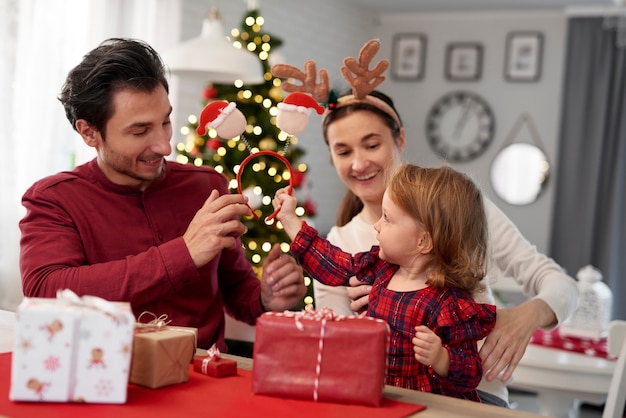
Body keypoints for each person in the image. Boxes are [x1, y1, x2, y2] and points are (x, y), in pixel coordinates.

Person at [18, 38, 307, 351]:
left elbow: (237, 290)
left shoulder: (206, 186)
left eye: (166, 122)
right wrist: (184, 254)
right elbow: (46, 291)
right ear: (89, 132)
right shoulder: (54, 199)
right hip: (106, 374)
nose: (164, 146)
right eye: (140, 131)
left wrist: (266, 297)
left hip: (204, 378)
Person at [313, 89, 579, 406]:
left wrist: (529, 314)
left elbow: (564, 286)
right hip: (387, 396)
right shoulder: (338, 244)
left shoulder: (459, 209)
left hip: (473, 396)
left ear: (399, 140)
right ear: (331, 159)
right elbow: (335, 348)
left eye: (372, 145)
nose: (359, 162)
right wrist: (374, 317)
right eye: (343, 152)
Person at [273, 163, 497, 402]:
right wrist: (288, 219)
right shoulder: (380, 269)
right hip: (380, 396)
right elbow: (332, 262)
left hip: (426, 406)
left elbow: (472, 373)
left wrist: (442, 359)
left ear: (423, 241)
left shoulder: (449, 304)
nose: (377, 225)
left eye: (387, 218)